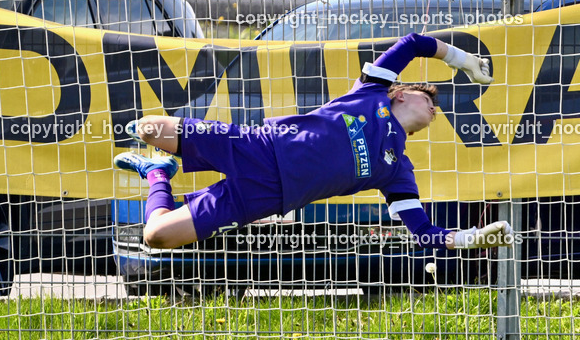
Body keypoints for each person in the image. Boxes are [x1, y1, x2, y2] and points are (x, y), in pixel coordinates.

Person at [113, 32, 512, 251]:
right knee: (147, 128)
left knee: (157, 236)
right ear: (401, 93)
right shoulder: (370, 92)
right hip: (259, 146)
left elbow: (422, 230)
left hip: (269, 196)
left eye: (436, 109)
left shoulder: (397, 169)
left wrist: (470, 239)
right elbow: (413, 44)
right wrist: (460, 59)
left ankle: (158, 174)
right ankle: (160, 159)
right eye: (430, 99)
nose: (434, 109)